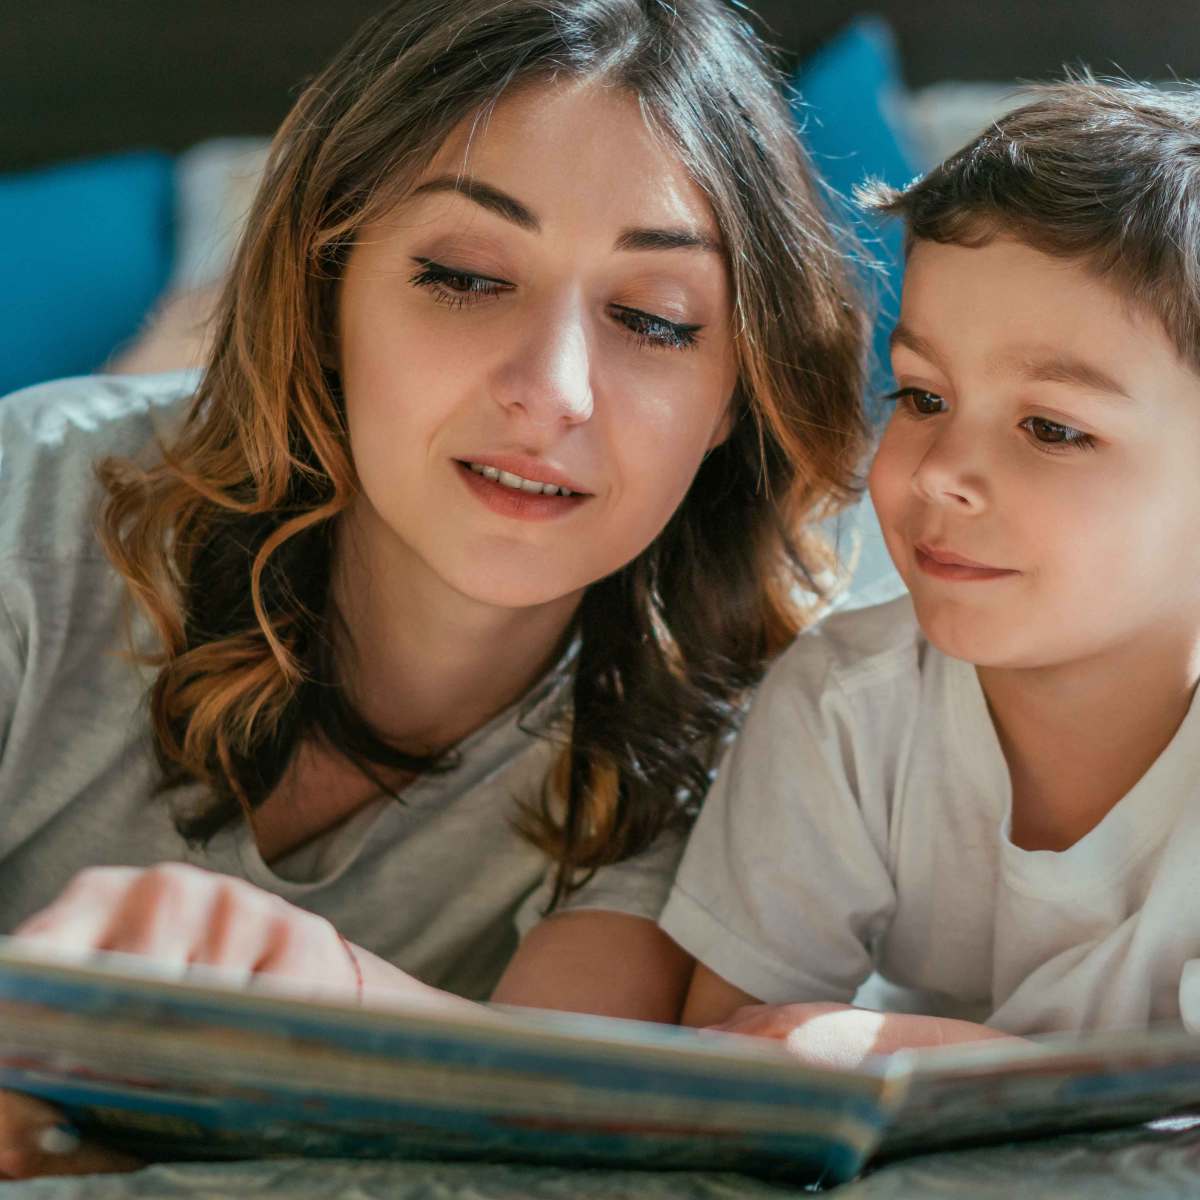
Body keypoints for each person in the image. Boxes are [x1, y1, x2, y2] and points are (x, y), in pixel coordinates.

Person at [0, 0, 868, 1176]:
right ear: (327, 287)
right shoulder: (31, 508)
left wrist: (318, 995)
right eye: (464, 276)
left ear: (732, 398)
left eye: (654, 320)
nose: (553, 390)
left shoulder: (750, 721)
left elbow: (572, 1119)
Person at [662, 77, 1200, 1063]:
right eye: (921, 397)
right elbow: (738, 1072)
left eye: (1052, 427)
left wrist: (934, 1055)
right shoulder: (846, 714)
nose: (944, 472)